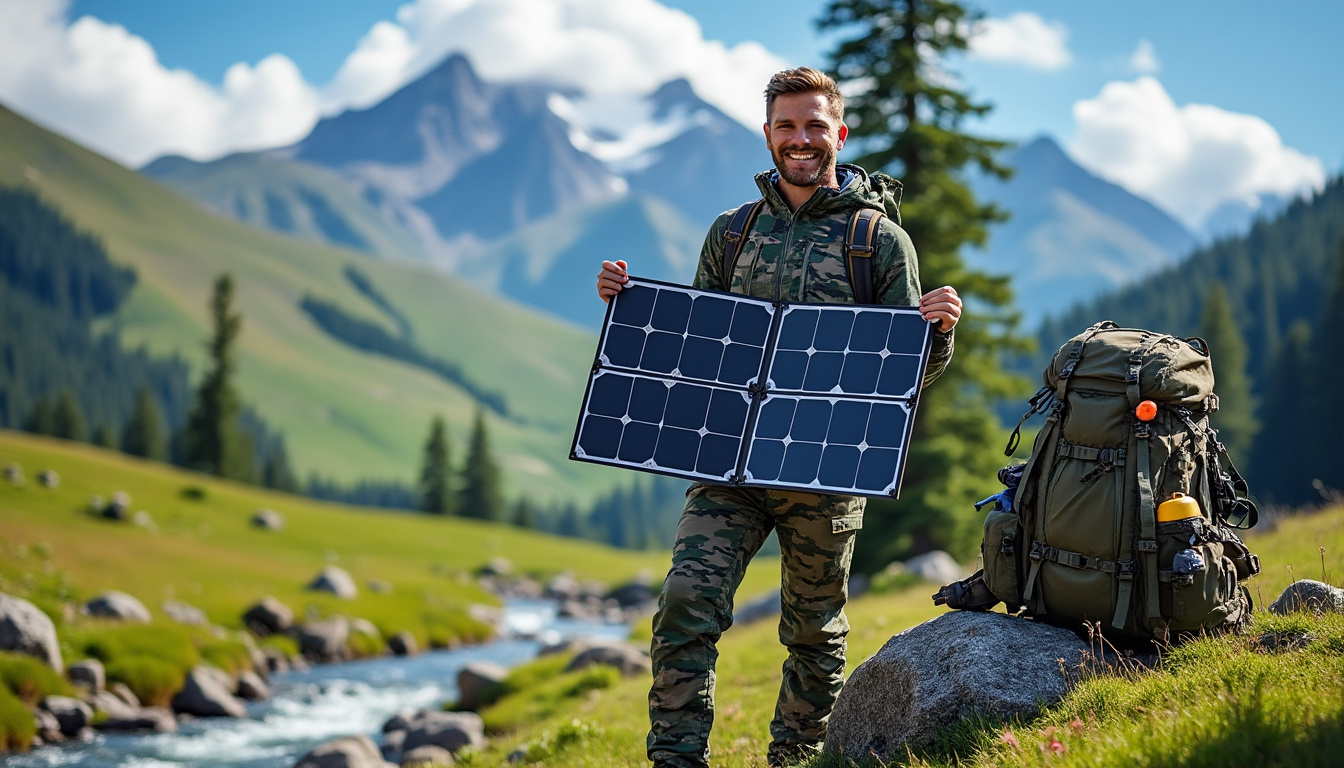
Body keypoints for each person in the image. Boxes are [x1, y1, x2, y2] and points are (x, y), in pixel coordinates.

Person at [596, 67, 962, 768]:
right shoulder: (732, 232)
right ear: (767, 135)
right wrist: (630, 305)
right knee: (684, 604)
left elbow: (908, 376)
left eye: (815, 125)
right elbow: (695, 343)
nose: (801, 139)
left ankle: (794, 760)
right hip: (727, 463)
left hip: (824, 468)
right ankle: (676, 758)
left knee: (814, 633)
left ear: (839, 133)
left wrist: (937, 332)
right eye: (787, 126)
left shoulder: (879, 242)